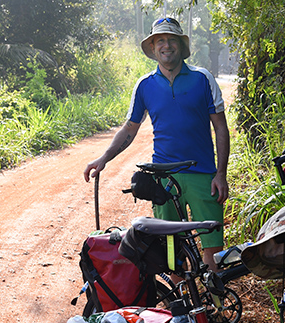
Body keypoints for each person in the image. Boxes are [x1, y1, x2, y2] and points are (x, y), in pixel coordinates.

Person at [83, 17, 230, 271]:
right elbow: (130, 128)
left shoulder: (202, 79)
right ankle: (182, 308)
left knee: (212, 246)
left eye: (171, 39)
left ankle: (213, 305)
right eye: (159, 40)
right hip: (163, 179)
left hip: (203, 176)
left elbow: (220, 128)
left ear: (180, 45)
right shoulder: (144, 86)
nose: (166, 45)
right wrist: (104, 158)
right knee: (171, 249)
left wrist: (221, 174)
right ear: (152, 48)